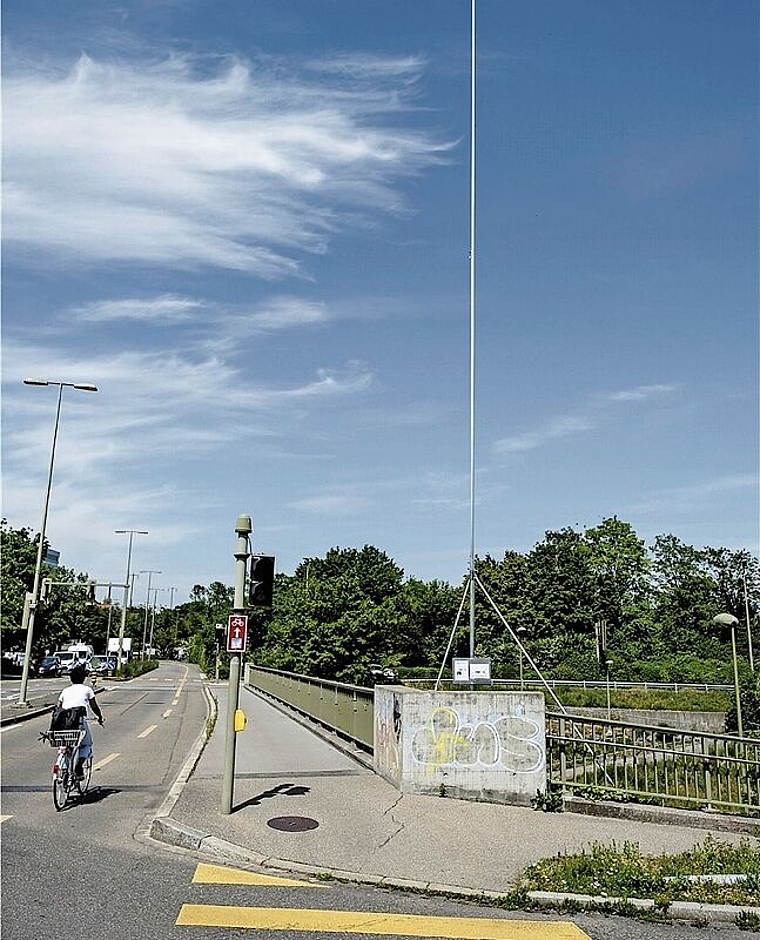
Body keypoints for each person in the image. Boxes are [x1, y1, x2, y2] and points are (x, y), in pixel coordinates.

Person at [57, 664, 104, 778]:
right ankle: (79, 766)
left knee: (66, 745)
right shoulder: (87, 690)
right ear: (84, 678)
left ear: (71, 678)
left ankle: (63, 771)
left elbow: (58, 707)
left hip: (63, 724)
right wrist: (100, 717)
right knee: (86, 744)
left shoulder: (65, 690)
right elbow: (94, 706)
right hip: (79, 723)